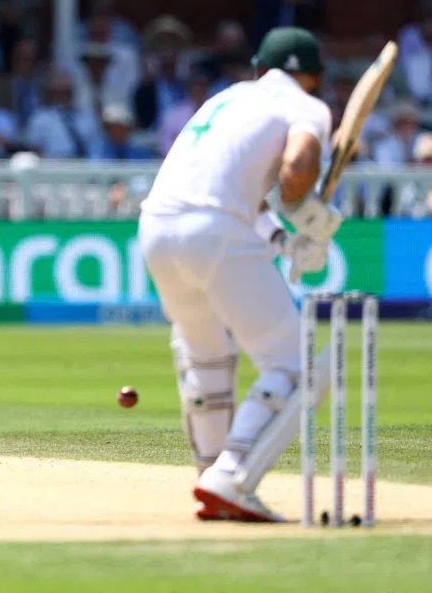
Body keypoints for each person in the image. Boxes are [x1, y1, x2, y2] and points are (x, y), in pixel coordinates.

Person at [137, 27, 344, 522]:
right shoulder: (308, 106)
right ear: (312, 75)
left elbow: (236, 188)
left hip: (156, 229)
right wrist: (304, 211)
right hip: (216, 230)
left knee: (206, 357)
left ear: (260, 68)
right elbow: (295, 171)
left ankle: (210, 471)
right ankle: (230, 475)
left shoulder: (226, 99)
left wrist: (283, 240)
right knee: (298, 368)